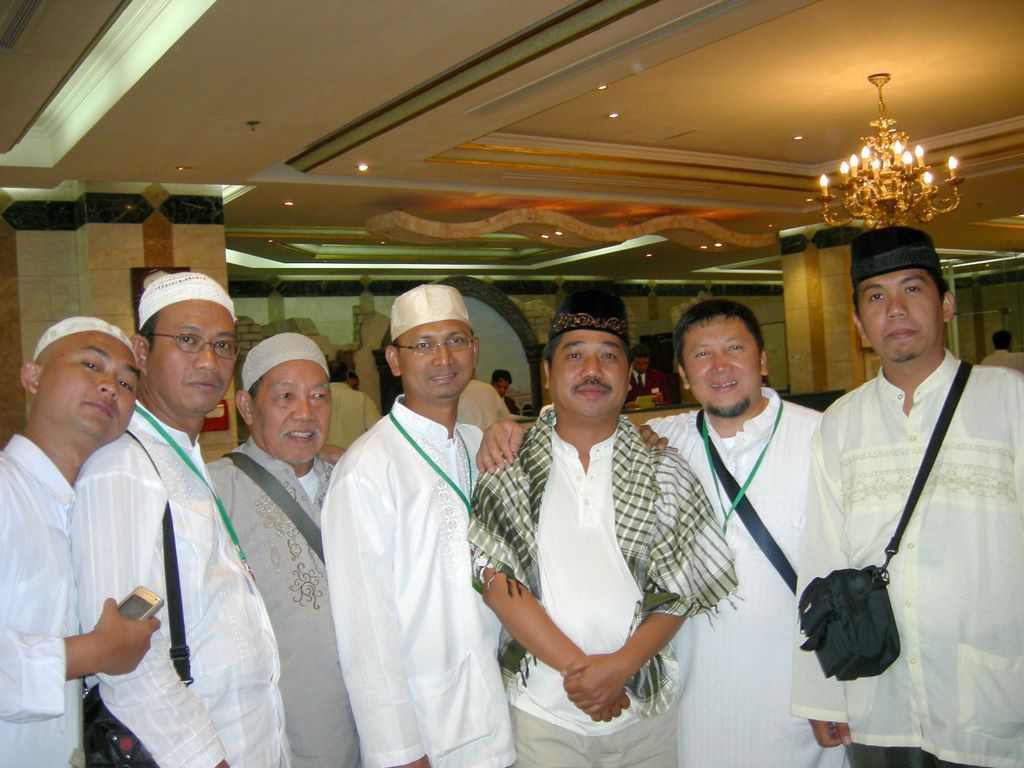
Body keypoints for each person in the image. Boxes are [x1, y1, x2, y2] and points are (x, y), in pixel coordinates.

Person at [467, 289, 737, 768]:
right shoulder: (507, 466)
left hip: (645, 717)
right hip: (541, 718)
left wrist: (619, 669)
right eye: (574, 356)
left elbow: (678, 591)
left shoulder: (664, 468)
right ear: (547, 372)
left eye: (608, 356)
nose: (592, 370)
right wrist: (586, 675)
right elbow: (497, 585)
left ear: (628, 374)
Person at [792, 226, 1024, 768]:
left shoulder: (1009, 401)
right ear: (858, 323)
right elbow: (821, 557)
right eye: (875, 296)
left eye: (912, 289)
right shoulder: (841, 423)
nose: (895, 309)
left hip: (992, 692)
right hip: (879, 695)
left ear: (946, 304)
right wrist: (821, 693)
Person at [71, 272, 288, 768]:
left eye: (223, 345)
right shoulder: (122, 468)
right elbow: (126, 661)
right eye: (187, 341)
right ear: (141, 350)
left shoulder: (180, 456)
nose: (209, 361)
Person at [642, 299, 845, 768]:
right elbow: (575, 431)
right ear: (683, 373)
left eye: (734, 348)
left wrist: (830, 693)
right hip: (698, 700)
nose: (720, 366)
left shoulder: (822, 436)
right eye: (702, 354)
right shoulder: (662, 441)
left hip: (800, 696)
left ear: (763, 360)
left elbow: (849, 572)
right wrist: (502, 433)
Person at [322, 284, 515, 768]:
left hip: (501, 706)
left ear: (474, 350)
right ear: (394, 359)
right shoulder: (368, 468)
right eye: (423, 344)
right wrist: (400, 751)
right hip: (429, 729)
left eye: (456, 341)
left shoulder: (477, 444)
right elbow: (364, 629)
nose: (443, 358)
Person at [1, 317, 158, 767]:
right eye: (91, 365)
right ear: (33, 377)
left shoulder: (79, 507)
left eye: (127, 384)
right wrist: (96, 652)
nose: (110, 386)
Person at [208, 333, 361, 768]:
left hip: (373, 718)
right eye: (285, 397)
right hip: (273, 728)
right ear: (246, 406)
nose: (305, 413)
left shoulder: (353, 478)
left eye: (318, 396)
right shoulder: (215, 492)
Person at [326, 359, 380, 451]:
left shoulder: (318, 399)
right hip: (356, 456)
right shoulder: (362, 398)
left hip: (326, 457)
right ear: (347, 376)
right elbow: (377, 431)